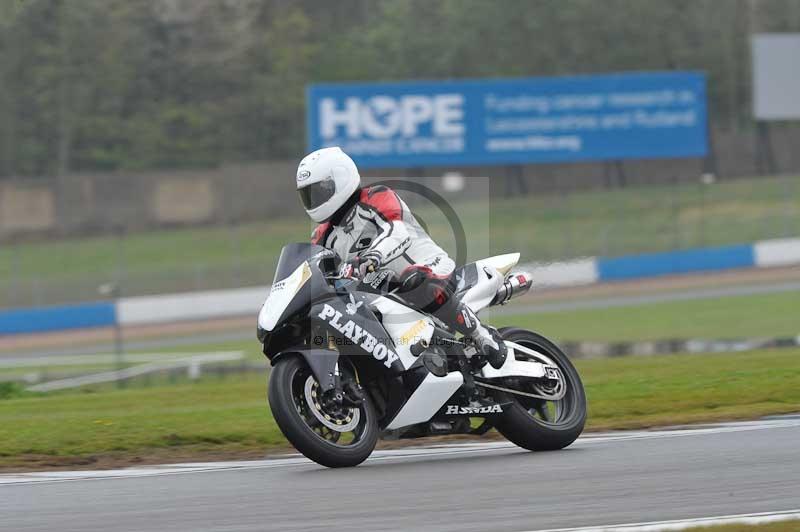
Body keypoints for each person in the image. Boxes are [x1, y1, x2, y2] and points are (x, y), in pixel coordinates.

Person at [296, 146, 507, 369]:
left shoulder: (376, 197)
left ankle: (482, 335)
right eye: (308, 195)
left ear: (340, 179)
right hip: (381, 290)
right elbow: (316, 269)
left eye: (320, 191)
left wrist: (372, 258)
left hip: (428, 266)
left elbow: (398, 232)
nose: (314, 199)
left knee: (414, 279)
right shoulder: (322, 235)